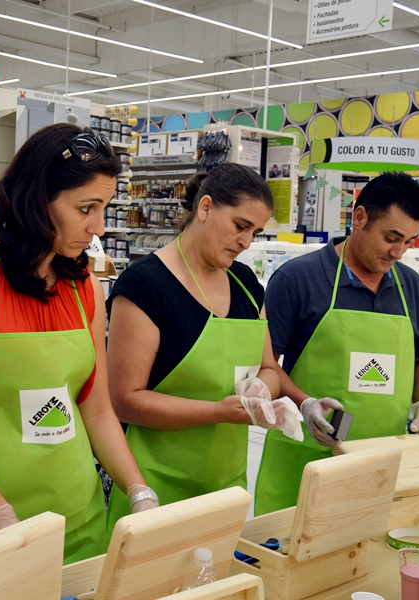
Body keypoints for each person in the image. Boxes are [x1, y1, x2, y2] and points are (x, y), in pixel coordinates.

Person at [0, 124, 158, 565]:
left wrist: (138, 491)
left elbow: (97, 407)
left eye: (104, 207)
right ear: (35, 200)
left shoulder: (85, 288)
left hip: (76, 523)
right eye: (86, 208)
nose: (98, 226)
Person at [105, 163, 302, 528]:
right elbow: (125, 400)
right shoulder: (145, 286)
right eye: (240, 226)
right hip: (155, 491)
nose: (246, 242)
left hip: (226, 488)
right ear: (206, 208)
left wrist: (261, 387)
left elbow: (269, 368)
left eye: (255, 232)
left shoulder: (244, 283)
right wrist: (218, 412)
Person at [254, 172, 419, 515]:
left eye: (409, 242)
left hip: (380, 467)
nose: (398, 252)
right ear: (360, 218)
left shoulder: (411, 287)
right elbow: (263, 365)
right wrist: (305, 403)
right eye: (391, 237)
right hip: (306, 463)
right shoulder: (297, 280)